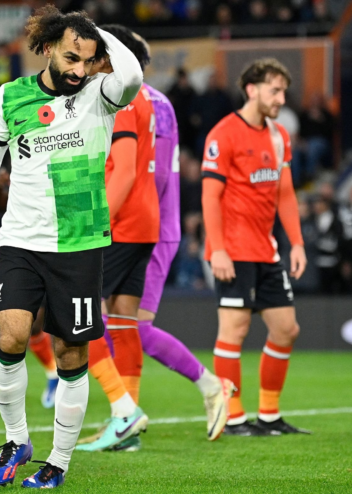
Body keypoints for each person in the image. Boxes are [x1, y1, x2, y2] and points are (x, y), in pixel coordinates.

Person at [0, 6, 143, 489]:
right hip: (21, 241)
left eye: (87, 60)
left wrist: (91, 32)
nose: (78, 70)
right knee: (10, 337)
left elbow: (133, 74)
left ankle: (58, 462)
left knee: (71, 355)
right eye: (70, 57)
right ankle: (16, 438)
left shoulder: (101, 95)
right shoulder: (9, 97)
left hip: (80, 245)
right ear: (45, 48)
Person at [76, 26, 232, 453]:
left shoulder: (136, 100)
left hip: (143, 224)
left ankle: (204, 385)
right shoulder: (155, 101)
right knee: (125, 323)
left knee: (100, 322)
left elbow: (151, 171)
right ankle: (123, 423)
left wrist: (105, 217)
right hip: (148, 221)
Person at [201, 58, 310, 436]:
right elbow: (210, 197)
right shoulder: (223, 133)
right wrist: (216, 248)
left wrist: (296, 242)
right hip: (232, 248)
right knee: (235, 328)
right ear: (251, 89)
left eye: (283, 91)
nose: (281, 98)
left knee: (286, 328)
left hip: (267, 250)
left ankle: (268, 415)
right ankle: (231, 417)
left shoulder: (280, 135)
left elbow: (286, 194)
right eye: (274, 90)